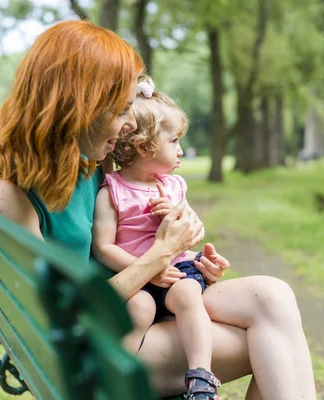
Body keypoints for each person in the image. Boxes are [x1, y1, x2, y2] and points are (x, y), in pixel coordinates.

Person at [0, 20, 317, 400]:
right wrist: (160, 254)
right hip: (89, 353)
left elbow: (126, 229)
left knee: (272, 296)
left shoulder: (82, 166)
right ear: (80, 104)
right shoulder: (4, 192)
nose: (128, 125)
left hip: (128, 312)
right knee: (274, 341)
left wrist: (185, 253)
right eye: (121, 110)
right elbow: (56, 322)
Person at [92, 76, 221, 399]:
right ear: (144, 145)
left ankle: (201, 378)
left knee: (190, 294)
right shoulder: (113, 191)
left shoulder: (174, 186)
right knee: (138, 308)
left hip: (177, 274)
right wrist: (147, 267)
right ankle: (118, 376)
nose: (180, 150)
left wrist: (175, 217)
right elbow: (103, 246)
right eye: (174, 141)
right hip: (135, 277)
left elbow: (192, 230)